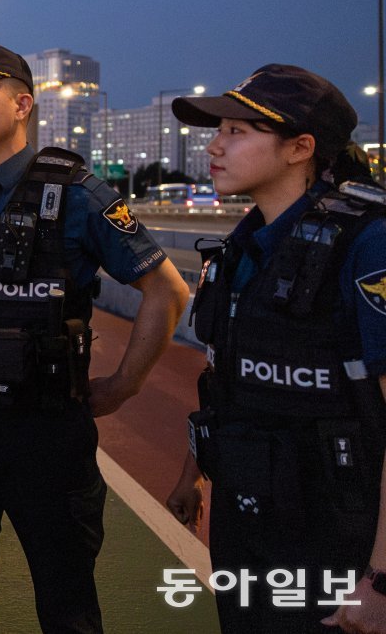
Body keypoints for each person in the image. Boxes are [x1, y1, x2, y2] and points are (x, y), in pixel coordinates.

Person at [0, 43, 189, 633]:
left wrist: (125, 384)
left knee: (67, 602)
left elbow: (167, 290)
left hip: (46, 432)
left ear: (23, 104)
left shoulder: (76, 194)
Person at [163, 65, 386, 633]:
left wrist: (382, 576)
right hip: (246, 518)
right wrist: (194, 473)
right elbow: (224, 380)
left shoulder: (367, 241)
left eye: (237, 132)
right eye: (219, 131)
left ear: (300, 148)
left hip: (334, 535)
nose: (213, 145)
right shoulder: (241, 249)